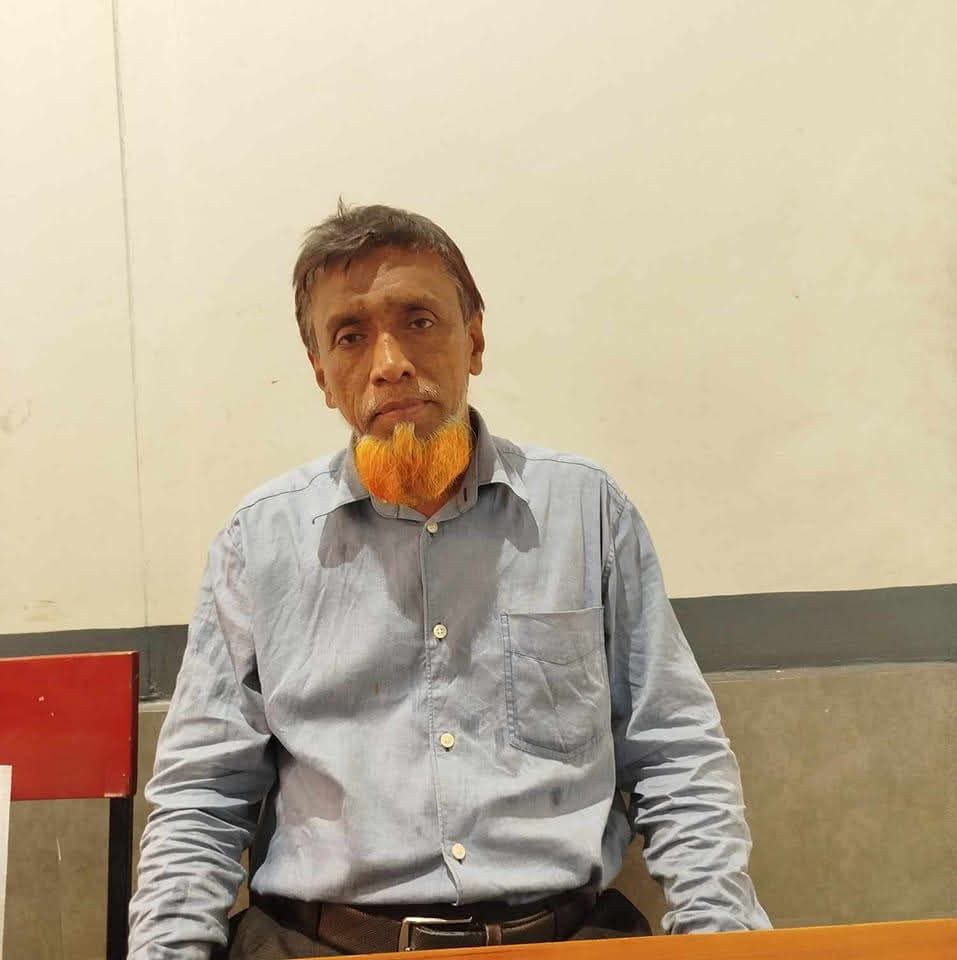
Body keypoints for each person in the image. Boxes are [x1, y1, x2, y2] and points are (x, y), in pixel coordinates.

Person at [128, 203, 770, 959]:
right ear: (321, 374)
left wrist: (725, 944)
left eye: (419, 320)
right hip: (316, 944)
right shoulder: (259, 541)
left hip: (563, 939)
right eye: (350, 335)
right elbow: (201, 797)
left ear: (475, 339)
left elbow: (674, 756)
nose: (389, 362)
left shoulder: (586, 512)